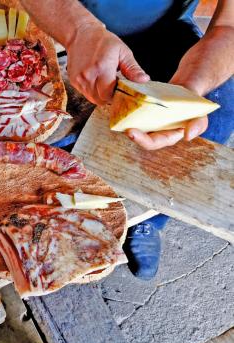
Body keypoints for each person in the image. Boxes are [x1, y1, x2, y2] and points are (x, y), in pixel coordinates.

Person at [20, 0, 234, 279]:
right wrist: (78, 30)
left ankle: (149, 218)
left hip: (161, 29)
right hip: (50, 16)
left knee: (216, 120)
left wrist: (190, 89)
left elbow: (229, 26)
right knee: (37, 137)